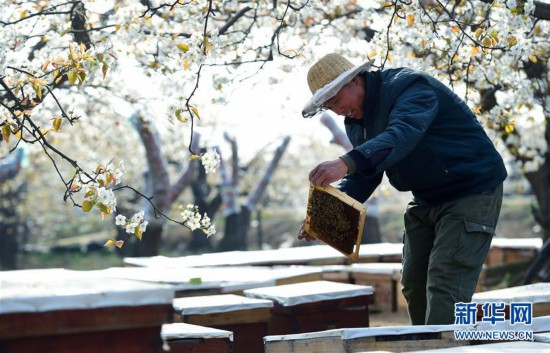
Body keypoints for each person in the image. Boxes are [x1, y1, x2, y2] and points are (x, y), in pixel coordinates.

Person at [297, 53, 507, 325]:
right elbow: (366, 174)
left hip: (472, 190)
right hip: (426, 198)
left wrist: (345, 162)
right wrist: (324, 216)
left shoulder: (410, 88)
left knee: (446, 283)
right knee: (413, 282)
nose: (337, 111)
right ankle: (426, 344)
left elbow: (403, 133)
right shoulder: (356, 123)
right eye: (329, 107)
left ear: (355, 81)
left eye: (337, 101)